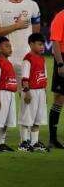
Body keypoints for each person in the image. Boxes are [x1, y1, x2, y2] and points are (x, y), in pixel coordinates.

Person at [0, 0, 41, 83]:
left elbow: (36, 33)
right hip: (4, 58)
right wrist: (16, 26)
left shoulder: (32, 5)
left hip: (25, 58)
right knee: (3, 92)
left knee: (26, 93)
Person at [18, 33, 49, 152]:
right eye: (39, 44)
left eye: (43, 45)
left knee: (37, 118)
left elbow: (44, 77)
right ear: (31, 44)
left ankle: (34, 142)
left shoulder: (42, 58)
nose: (42, 47)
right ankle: (23, 142)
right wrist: (26, 92)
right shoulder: (28, 59)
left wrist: (45, 93)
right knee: (27, 117)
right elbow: (24, 78)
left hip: (40, 92)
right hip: (31, 92)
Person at [48, 9, 64, 149]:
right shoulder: (60, 16)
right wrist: (60, 63)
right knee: (59, 98)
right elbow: (55, 42)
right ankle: (53, 138)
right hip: (63, 58)